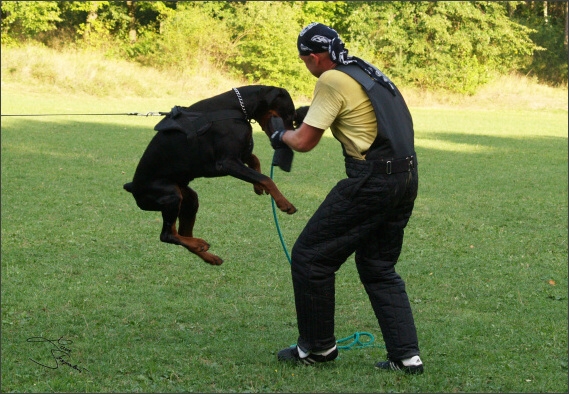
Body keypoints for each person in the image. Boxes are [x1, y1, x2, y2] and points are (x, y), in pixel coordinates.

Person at [269, 22, 423, 374]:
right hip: (407, 176)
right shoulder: (363, 70)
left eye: (303, 59)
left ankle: (318, 349)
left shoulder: (331, 79)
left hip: (372, 179)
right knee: (378, 266)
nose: (305, 65)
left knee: (311, 257)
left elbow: (305, 142)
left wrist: (281, 134)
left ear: (314, 56)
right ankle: (407, 357)